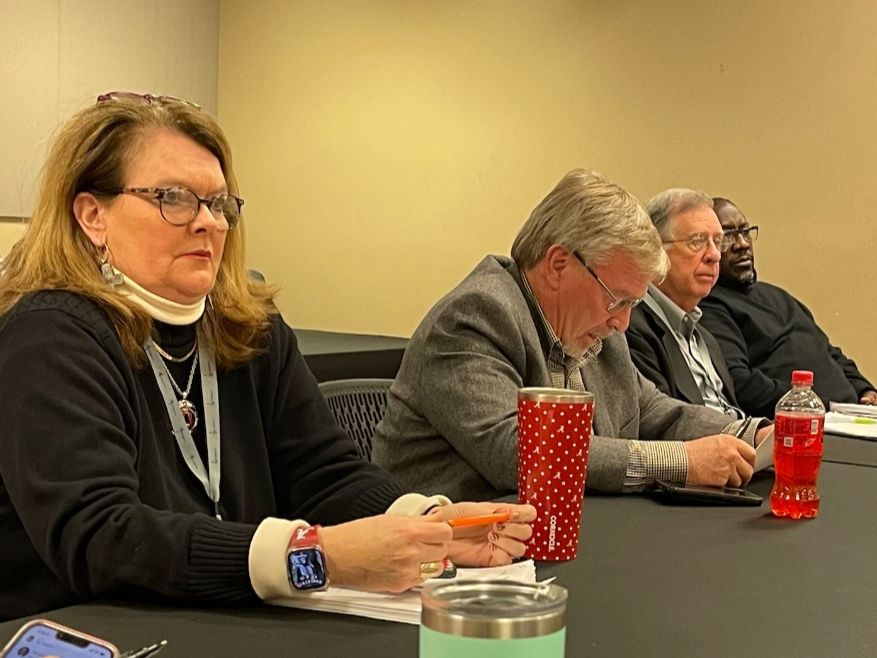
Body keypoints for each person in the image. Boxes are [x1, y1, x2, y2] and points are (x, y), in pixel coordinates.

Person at [0, 92, 535, 622]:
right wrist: (314, 557)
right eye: (173, 198)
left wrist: (429, 525)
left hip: (217, 616)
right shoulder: (49, 337)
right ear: (93, 215)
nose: (207, 222)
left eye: (218, 203)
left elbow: (321, 472)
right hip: (89, 627)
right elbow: (103, 537)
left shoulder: (249, 325)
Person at [372, 169, 769, 502]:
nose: (624, 323)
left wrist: (751, 434)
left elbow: (651, 411)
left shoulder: (595, 324)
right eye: (618, 300)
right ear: (559, 264)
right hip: (453, 558)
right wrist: (680, 462)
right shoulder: (476, 318)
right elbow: (519, 453)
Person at [698, 198, 877, 418]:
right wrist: (819, 406)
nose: (742, 243)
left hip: (851, 416)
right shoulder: (712, 305)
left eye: (745, 231)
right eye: (727, 236)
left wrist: (864, 389)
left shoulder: (778, 295)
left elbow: (828, 351)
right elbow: (738, 382)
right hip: (805, 426)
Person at [625, 189, 742, 417]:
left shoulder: (705, 338)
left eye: (718, 242)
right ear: (656, 249)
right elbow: (660, 424)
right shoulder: (629, 326)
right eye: (697, 241)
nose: (715, 255)